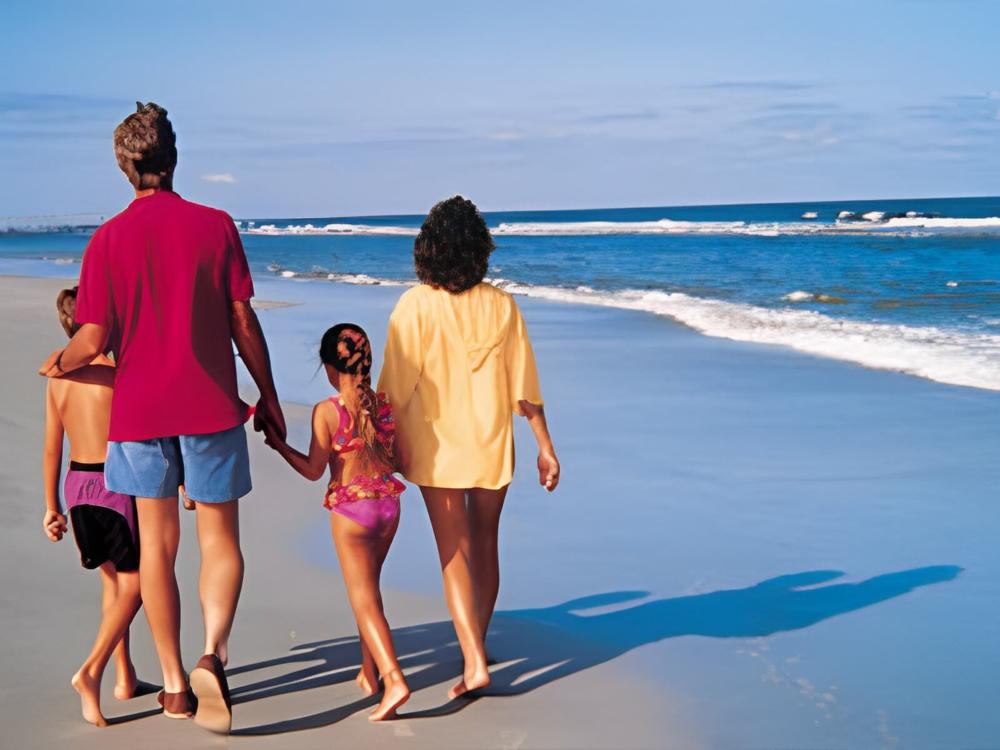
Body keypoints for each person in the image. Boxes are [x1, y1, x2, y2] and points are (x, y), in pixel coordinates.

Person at [38, 102, 285, 734]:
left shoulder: (107, 241)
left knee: (157, 548)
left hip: (139, 414)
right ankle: (214, 653)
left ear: (125, 166)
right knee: (220, 541)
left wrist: (60, 364)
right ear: (173, 157)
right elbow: (242, 322)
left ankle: (175, 685)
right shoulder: (216, 225)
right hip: (209, 407)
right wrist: (270, 395)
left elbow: (92, 339)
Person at [378, 195, 560, 698]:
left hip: (436, 447)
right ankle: (474, 646)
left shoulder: (415, 304)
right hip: (490, 443)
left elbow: (396, 385)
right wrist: (545, 447)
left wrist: (380, 441)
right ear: (479, 249)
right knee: (485, 544)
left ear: (428, 250)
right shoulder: (502, 306)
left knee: (453, 552)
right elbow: (525, 389)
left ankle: (475, 661)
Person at [263, 324, 411, 721]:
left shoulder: (327, 412)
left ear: (330, 368)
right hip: (388, 507)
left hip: (352, 512)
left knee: (363, 599)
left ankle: (394, 677)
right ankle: (370, 673)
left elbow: (314, 470)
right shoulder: (384, 407)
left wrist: (278, 445)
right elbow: (399, 461)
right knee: (371, 594)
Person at [42, 288, 149, 727]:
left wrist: (51, 508)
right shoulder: (114, 371)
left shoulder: (57, 378)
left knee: (113, 586)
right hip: (114, 485)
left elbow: (52, 448)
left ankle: (125, 677)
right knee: (139, 584)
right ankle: (92, 671)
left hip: (75, 486)